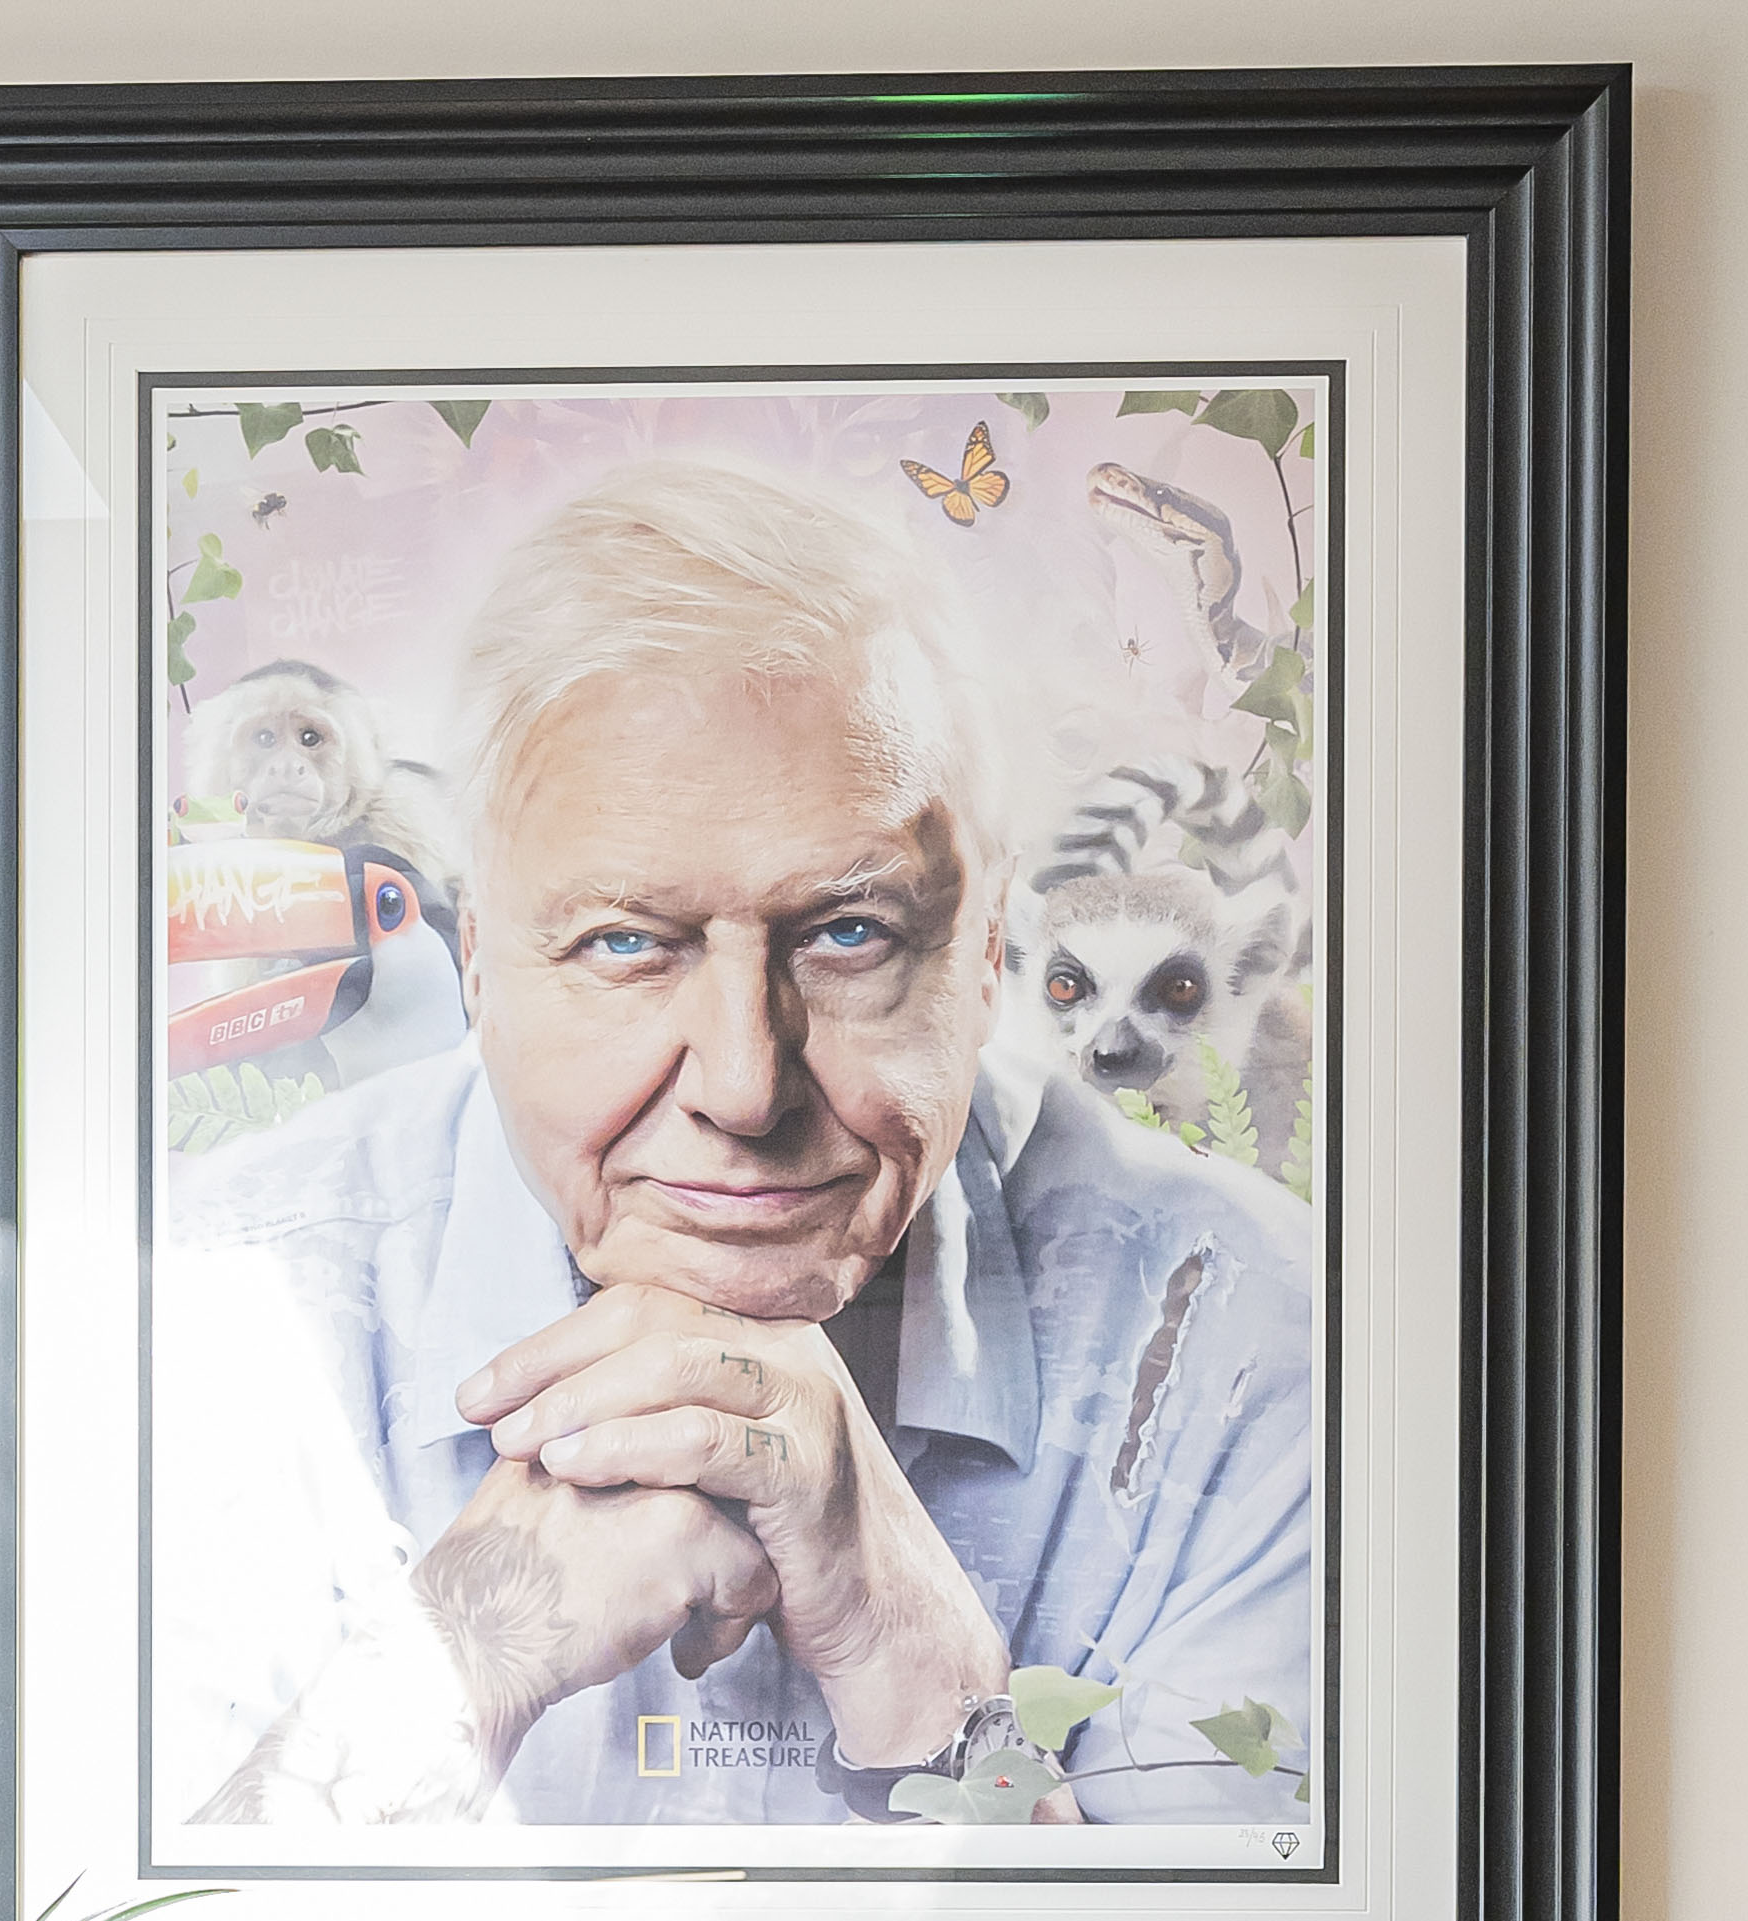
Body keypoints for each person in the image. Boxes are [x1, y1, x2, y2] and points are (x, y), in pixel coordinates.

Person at [154, 456, 1319, 1843]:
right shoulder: (229, 1312)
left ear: (991, 948)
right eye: (627, 943)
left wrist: (926, 1663)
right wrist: (468, 1645)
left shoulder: (1244, 1339)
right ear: (475, 962)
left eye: (847, 935)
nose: (745, 1087)